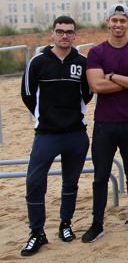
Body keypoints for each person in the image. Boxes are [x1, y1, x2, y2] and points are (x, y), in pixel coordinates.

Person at [19, 16, 93, 256]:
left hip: (75, 134)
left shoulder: (82, 62)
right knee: (34, 183)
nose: (64, 35)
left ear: (75, 35)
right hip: (47, 135)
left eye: (69, 32)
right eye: (60, 31)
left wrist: (70, 117)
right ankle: (37, 232)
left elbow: (87, 94)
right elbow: (28, 95)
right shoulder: (38, 62)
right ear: (52, 33)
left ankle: (65, 223)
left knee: (70, 183)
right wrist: (46, 118)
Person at [83, 4, 128, 242]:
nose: (118, 25)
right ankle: (97, 223)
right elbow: (96, 86)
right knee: (100, 176)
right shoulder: (96, 52)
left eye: (122, 21)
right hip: (105, 124)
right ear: (108, 22)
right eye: (114, 20)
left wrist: (112, 76)